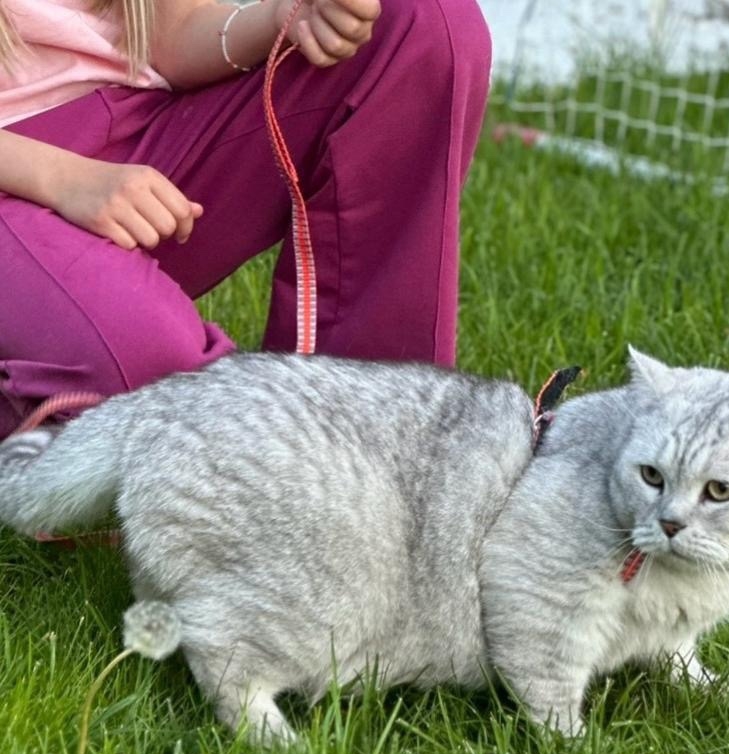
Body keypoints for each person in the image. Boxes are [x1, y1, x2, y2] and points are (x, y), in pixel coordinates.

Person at [0, 0, 492, 439]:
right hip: (19, 171)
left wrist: (284, 16)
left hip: (136, 141)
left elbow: (168, 31)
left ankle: (371, 436)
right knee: (154, 380)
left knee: (422, 19)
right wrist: (64, 179)